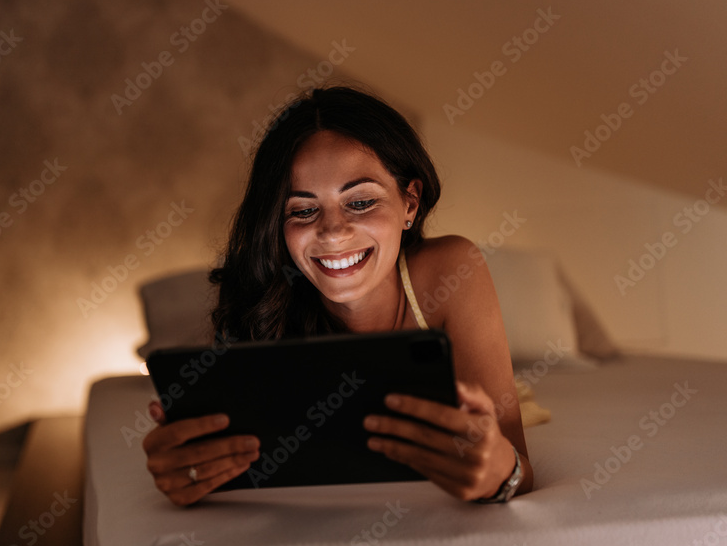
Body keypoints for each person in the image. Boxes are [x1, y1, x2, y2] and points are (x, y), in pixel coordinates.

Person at [143, 85, 532, 506]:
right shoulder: (266, 307)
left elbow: (519, 464)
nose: (332, 231)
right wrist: (189, 473)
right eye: (303, 210)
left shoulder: (453, 269)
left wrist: (500, 473)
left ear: (410, 203)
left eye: (361, 201)